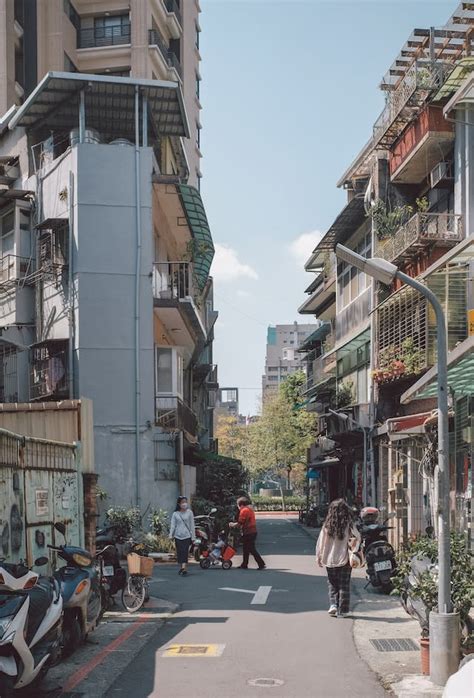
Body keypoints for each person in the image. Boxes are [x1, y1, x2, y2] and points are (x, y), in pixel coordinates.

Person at [315, 498, 361, 618]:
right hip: (345, 558)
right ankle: (343, 610)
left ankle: (333, 605)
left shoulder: (327, 525)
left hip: (329, 558)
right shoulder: (349, 524)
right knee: (344, 584)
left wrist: (319, 556)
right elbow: (358, 537)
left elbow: (321, 542)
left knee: (332, 583)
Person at [230, 496, 265, 570]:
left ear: (241, 505)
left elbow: (240, 523)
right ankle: (244, 564)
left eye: (238, 505)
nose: (238, 507)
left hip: (249, 532)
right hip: (251, 531)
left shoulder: (244, 511)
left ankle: (261, 564)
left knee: (251, 549)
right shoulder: (249, 510)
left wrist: (232, 525)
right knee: (246, 549)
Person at [169, 496, 195, 576]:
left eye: (185, 502)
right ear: (179, 503)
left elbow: (192, 525)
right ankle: (182, 567)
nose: (184, 504)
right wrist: (171, 535)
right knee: (180, 552)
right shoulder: (175, 514)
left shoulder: (189, 512)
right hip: (178, 536)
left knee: (185, 552)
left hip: (187, 536)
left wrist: (193, 537)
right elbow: (173, 525)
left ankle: (184, 568)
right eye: (183, 502)